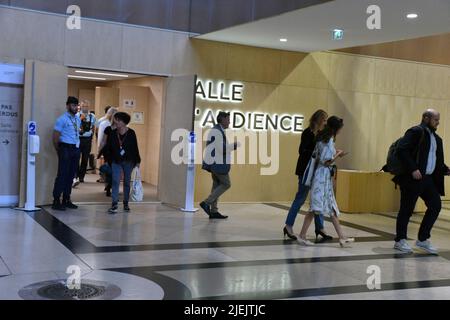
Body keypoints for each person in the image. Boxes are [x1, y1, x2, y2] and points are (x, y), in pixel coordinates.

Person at [393, 109, 450, 254]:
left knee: (435, 206)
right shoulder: (415, 132)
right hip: (412, 179)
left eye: (438, 119)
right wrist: (413, 169)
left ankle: (423, 239)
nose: (438, 122)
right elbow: (401, 150)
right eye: (435, 119)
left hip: (428, 179)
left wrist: (446, 170)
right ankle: (400, 240)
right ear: (426, 118)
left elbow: (436, 161)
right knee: (407, 209)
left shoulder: (436, 139)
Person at [297, 116, 354, 247]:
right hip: (321, 177)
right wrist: (338, 155)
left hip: (322, 176)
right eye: (340, 128)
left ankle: (342, 237)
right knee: (314, 208)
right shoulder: (328, 141)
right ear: (336, 128)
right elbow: (327, 161)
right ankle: (302, 235)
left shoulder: (322, 139)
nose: (341, 130)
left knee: (331, 207)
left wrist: (336, 153)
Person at [283, 109, 331, 242]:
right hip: (306, 171)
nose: (325, 122)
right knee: (300, 198)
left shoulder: (322, 134)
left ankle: (320, 228)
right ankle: (288, 226)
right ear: (318, 119)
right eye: (324, 119)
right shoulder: (308, 132)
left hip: (317, 171)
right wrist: (315, 148)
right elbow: (301, 150)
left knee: (317, 199)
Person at [200, 112, 239, 219]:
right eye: (228, 119)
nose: (229, 122)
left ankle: (214, 211)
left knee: (216, 185)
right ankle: (206, 202)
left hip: (215, 163)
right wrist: (233, 146)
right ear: (222, 119)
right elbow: (221, 149)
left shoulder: (218, 130)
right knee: (226, 184)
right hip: (217, 164)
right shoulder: (217, 131)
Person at [104, 112, 141, 214]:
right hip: (116, 161)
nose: (116, 122)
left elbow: (135, 148)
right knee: (115, 181)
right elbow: (108, 148)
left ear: (124, 122)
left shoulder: (131, 133)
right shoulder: (112, 133)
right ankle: (114, 203)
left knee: (126, 181)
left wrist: (137, 160)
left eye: (118, 120)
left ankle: (126, 203)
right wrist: (109, 160)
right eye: (115, 119)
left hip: (128, 161)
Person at [51, 96, 81, 211]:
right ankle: (56, 200)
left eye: (76, 105)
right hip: (65, 148)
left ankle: (66, 199)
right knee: (62, 175)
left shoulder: (77, 119)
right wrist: (59, 151)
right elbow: (55, 138)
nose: (75, 108)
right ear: (67, 106)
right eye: (73, 105)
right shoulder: (62, 119)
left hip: (75, 149)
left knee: (71, 175)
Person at [74, 100, 96, 184]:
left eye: (86, 106)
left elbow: (93, 127)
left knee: (85, 158)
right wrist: (81, 118)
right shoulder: (77, 115)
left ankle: (81, 176)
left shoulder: (92, 116)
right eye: (83, 106)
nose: (85, 108)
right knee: (76, 157)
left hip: (87, 139)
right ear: (80, 107)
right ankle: (75, 175)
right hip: (78, 139)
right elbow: (75, 125)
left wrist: (92, 137)